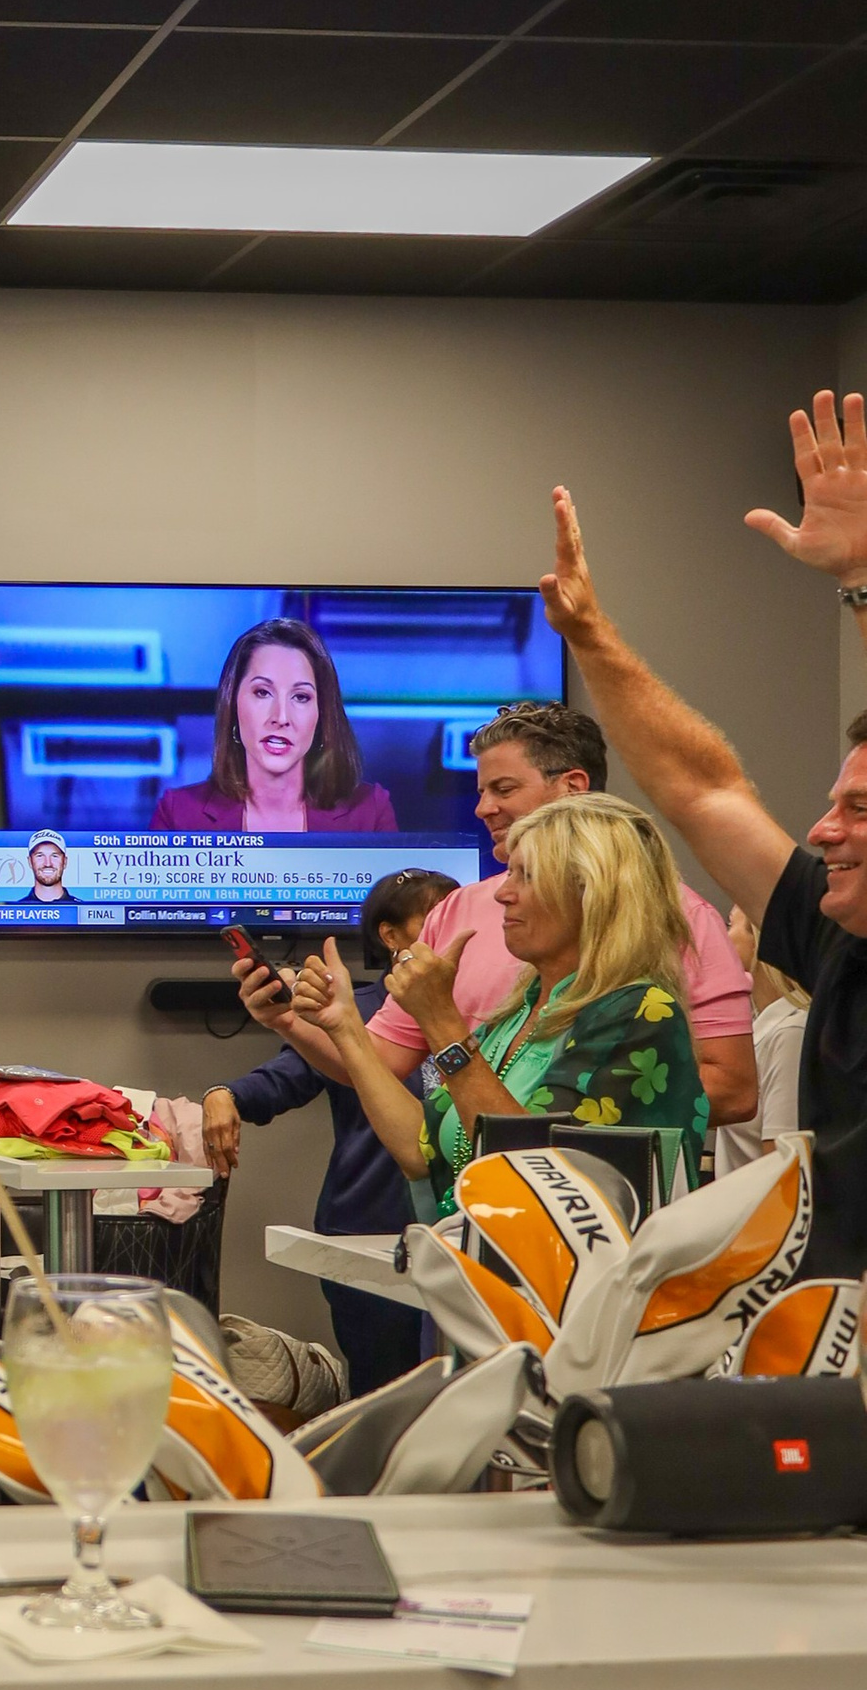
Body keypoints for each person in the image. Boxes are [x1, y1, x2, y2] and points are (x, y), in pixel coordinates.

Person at [536, 393, 867, 1270]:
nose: (823, 830)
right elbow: (701, 788)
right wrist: (590, 636)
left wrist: (863, 581)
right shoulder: (836, 937)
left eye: (859, 810)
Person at [232, 695, 757, 1132]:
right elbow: (382, 1065)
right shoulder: (458, 910)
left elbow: (732, 1090)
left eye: (504, 789)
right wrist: (291, 1020)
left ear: (572, 788)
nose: (484, 808)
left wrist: (567, 1106)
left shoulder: (680, 920)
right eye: (481, 791)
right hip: (459, 1201)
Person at [288, 795, 709, 1213]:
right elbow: (421, 1151)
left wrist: (440, 1019)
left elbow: (532, 1171)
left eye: (527, 876)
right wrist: (344, 1028)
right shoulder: (520, 1012)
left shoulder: (638, 1010)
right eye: (510, 874)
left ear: (592, 893)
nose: (503, 894)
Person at [200, 868, 455, 1394]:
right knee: (384, 1396)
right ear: (391, 936)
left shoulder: (486, 1004)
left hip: (461, 1232)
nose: (457, 926)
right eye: (439, 915)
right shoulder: (354, 1012)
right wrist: (224, 1093)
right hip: (368, 1232)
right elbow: (288, 1076)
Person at [150, 616, 396, 836]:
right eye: (262, 692)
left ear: (321, 714)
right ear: (233, 705)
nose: (280, 717)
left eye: (300, 697)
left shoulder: (369, 813)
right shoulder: (179, 816)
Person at [716, 902, 810, 1176]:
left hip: (760, 1214)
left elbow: (780, 1167)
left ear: (758, 941)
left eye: (731, 926)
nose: (723, 935)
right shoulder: (760, 1028)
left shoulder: (790, 1034)